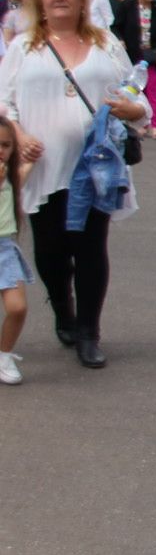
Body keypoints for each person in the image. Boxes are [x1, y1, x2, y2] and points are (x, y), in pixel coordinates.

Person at [0, 0, 148, 369]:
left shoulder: (106, 43)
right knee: (49, 252)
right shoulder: (23, 47)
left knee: (90, 248)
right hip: (41, 166)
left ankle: (88, 332)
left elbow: (136, 97)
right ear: (39, 0)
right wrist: (18, 133)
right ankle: (63, 311)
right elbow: (4, 101)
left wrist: (132, 108)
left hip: (94, 166)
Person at [110, 0, 156, 139]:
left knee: (154, 89)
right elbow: (115, 26)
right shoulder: (127, 6)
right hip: (133, 53)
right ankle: (141, 124)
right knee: (134, 89)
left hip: (153, 53)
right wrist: (121, 40)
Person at [0, 117, 31, 385]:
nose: (0, 150)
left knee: (17, 307)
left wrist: (31, 151)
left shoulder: (11, 179)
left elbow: (29, 165)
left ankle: (4, 355)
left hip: (4, 249)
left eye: (5, 145)